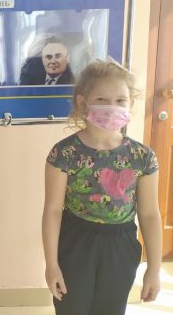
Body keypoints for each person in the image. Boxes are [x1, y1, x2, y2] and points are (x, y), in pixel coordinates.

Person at [42, 60, 161, 315]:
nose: (112, 107)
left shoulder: (143, 157)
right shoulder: (64, 153)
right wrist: (51, 264)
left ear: (130, 103)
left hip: (121, 245)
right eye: (102, 100)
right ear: (83, 103)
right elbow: (52, 210)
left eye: (120, 100)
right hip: (75, 243)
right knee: (72, 308)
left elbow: (150, 214)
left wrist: (153, 268)